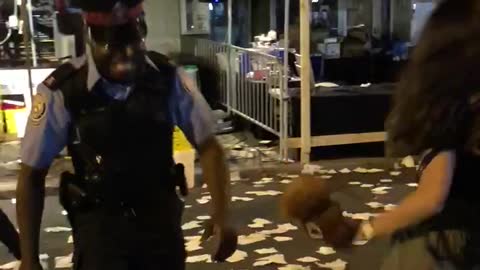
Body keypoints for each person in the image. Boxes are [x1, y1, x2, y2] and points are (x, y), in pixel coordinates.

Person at [16, 1, 236, 269]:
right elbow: (31, 175)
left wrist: (223, 214)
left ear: (142, 31)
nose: (127, 56)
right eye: (113, 47)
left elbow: (209, 147)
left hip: (160, 225)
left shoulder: (166, 78)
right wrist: (29, 259)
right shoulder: (63, 91)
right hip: (100, 231)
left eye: (133, 44)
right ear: (90, 39)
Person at [282, 0, 480, 269]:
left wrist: (367, 229)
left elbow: (431, 199)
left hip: (454, 243)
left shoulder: (454, 116)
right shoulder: (465, 110)